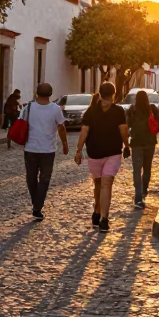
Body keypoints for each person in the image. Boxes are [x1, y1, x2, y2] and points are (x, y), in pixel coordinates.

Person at [74, 81, 129, 231]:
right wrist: (127, 145)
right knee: (101, 184)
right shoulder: (112, 111)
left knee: (104, 183)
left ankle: (103, 217)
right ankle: (98, 211)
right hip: (102, 153)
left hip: (103, 153)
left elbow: (84, 132)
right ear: (113, 94)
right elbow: (124, 131)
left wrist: (79, 151)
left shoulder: (94, 111)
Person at [17, 83, 68, 220]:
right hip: (48, 150)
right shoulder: (55, 109)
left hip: (30, 148)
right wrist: (64, 143)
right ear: (50, 94)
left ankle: (36, 204)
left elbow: (21, 122)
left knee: (31, 178)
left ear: (37, 93)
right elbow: (61, 127)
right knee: (44, 179)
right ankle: (37, 206)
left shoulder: (28, 107)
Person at [127, 90, 159, 208]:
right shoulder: (152, 109)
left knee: (137, 170)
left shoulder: (132, 110)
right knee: (147, 168)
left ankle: (138, 197)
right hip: (150, 143)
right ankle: (144, 190)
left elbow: (127, 126)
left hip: (136, 143)